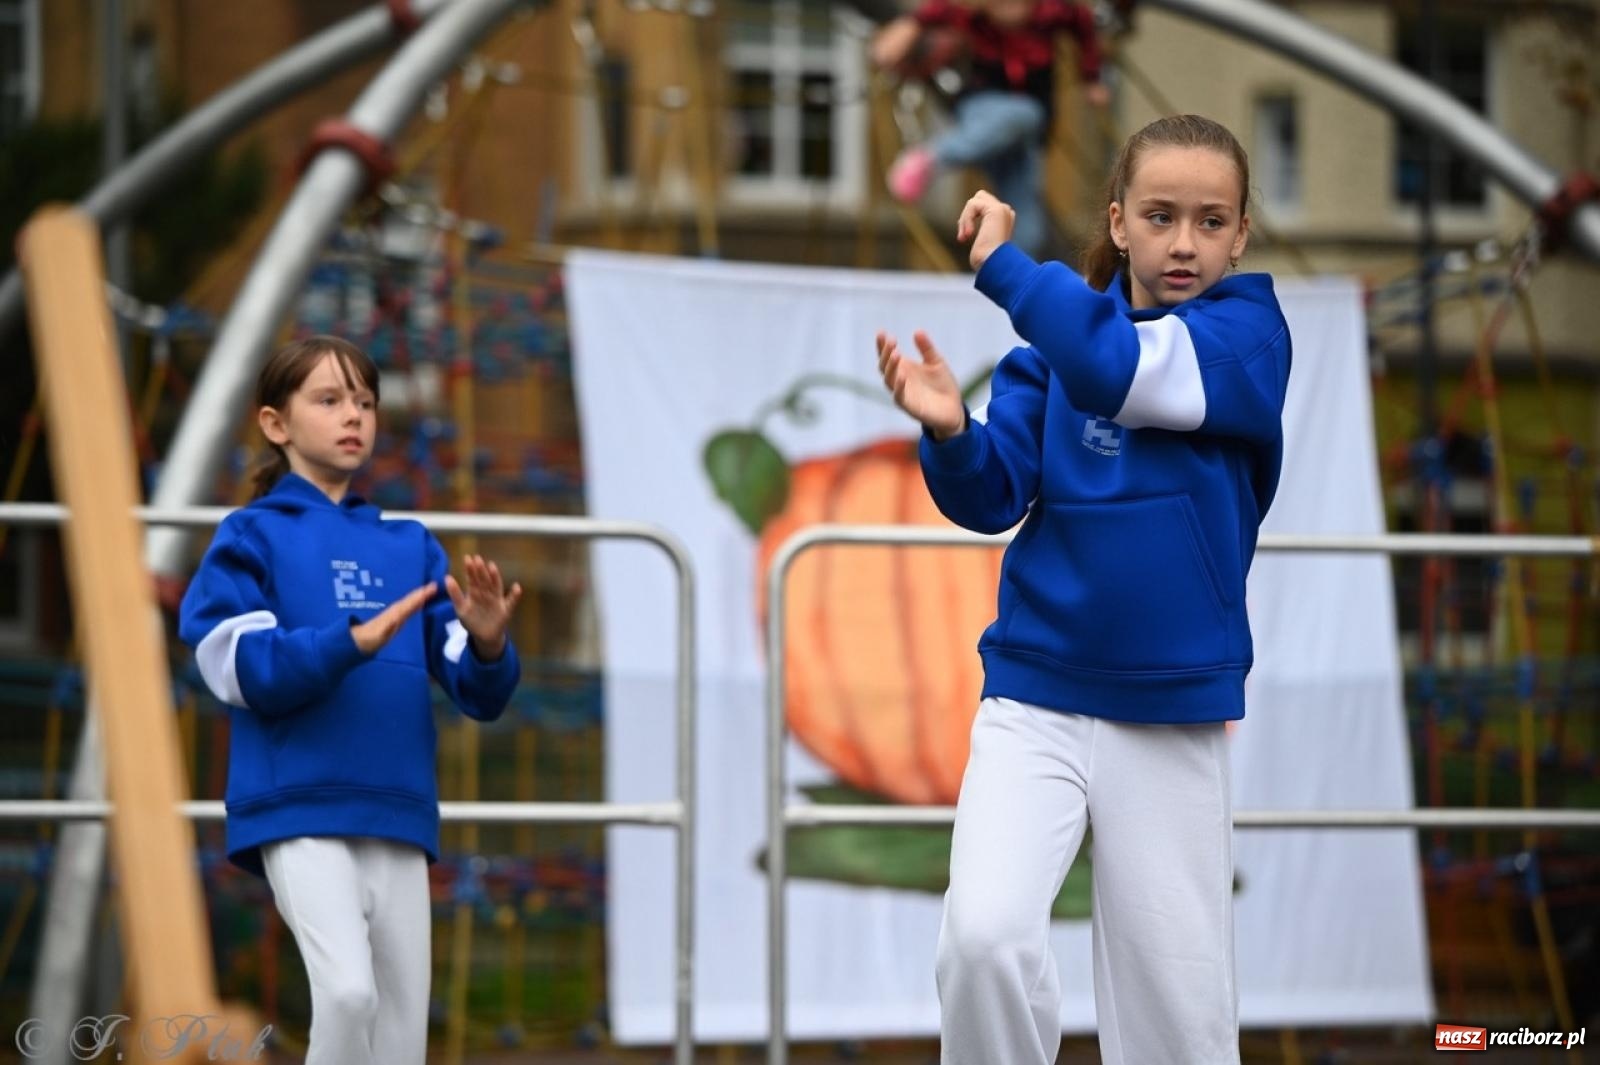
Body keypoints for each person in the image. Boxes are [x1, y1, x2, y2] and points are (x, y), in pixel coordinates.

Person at [875, 114, 1291, 1065]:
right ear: (1118, 220)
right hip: (1034, 699)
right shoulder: (1045, 356)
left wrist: (1008, 269)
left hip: (1171, 712)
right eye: (1160, 215)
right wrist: (950, 433)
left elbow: (1116, 368)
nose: (1184, 242)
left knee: (1176, 1024)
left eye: (1211, 220)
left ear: (1240, 235)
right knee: (981, 942)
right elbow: (991, 495)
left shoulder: (1248, 336)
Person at [178, 335, 523, 1065]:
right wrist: (349, 642)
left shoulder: (411, 544)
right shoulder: (249, 534)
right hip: (299, 807)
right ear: (276, 423)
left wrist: (488, 643)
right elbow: (238, 667)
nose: (353, 416)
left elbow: (471, 683)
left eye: (364, 401)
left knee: (400, 1037)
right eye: (329, 399)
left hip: (398, 810)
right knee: (346, 997)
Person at [870, 0, 1110, 257]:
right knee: (1024, 114)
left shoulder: (1054, 11)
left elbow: (1083, 25)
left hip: (1023, 134)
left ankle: (1013, 274)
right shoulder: (969, 16)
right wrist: (902, 34)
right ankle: (931, 157)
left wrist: (1091, 77)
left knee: (1026, 223)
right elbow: (927, 16)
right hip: (985, 106)